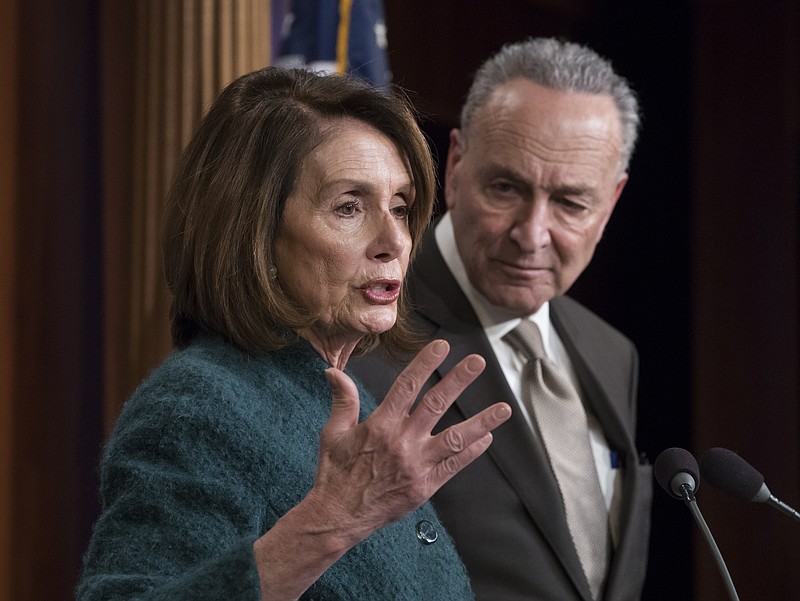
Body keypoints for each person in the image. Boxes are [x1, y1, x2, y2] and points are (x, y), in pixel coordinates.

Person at [76, 67, 512, 601]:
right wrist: (329, 524)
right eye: (349, 207)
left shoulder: (345, 394)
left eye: (399, 207)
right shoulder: (193, 407)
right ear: (255, 231)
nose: (393, 240)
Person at [351, 37, 652, 601]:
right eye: (506, 188)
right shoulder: (362, 332)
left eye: (571, 203)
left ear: (610, 202)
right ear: (457, 165)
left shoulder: (612, 353)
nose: (532, 234)